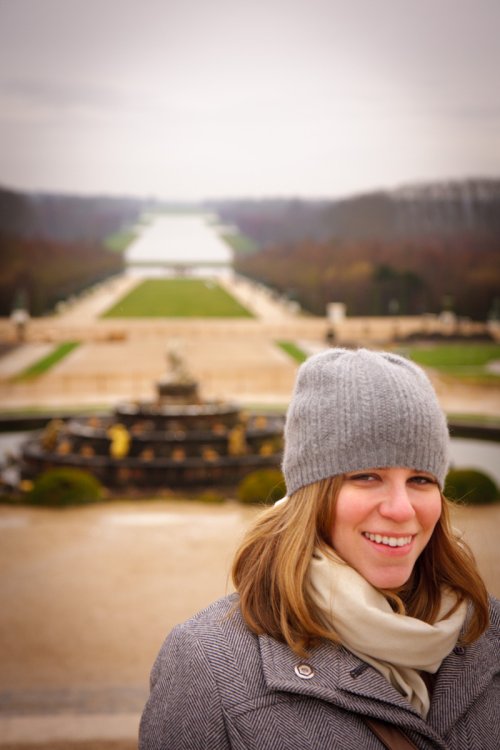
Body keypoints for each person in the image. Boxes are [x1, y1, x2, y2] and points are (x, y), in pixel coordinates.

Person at [139, 348, 499, 750]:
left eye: (421, 480)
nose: (402, 510)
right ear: (312, 493)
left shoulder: (491, 632)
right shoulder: (206, 663)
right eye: (367, 476)